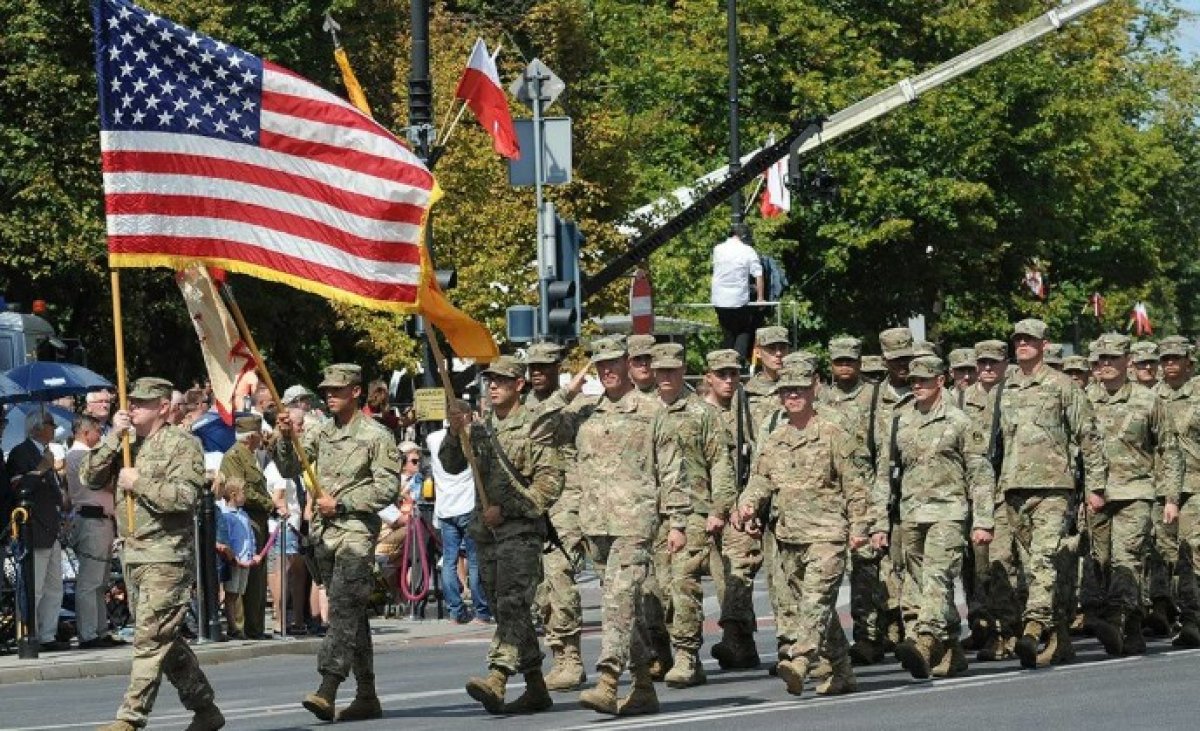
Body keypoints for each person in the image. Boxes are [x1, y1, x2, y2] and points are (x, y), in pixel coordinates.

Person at [81, 377, 223, 731]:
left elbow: (185, 498)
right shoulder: (125, 444)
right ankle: (205, 708)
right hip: (134, 555)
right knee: (164, 638)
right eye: (131, 402)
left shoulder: (183, 444)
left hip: (166, 554)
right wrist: (112, 438)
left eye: (141, 403)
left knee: (149, 638)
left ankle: (130, 717)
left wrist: (138, 483)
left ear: (162, 407)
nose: (132, 408)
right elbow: (89, 477)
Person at [274, 364, 401, 722]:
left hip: (356, 532)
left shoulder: (376, 435)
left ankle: (328, 687)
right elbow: (289, 468)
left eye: (337, 390)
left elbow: (387, 488)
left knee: (343, 608)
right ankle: (367, 694)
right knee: (353, 614)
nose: (330, 395)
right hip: (324, 535)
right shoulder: (322, 432)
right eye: (326, 390)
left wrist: (343, 504)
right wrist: (285, 438)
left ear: (355, 392)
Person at [736, 361, 871, 697]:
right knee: (817, 607)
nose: (793, 396)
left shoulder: (834, 433)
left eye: (799, 390)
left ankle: (801, 659)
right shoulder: (775, 439)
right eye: (786, 391)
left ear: (813, 391)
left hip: (827, 533)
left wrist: (860, 527)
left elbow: (856, 486)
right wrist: (747, 504)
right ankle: (841, 670)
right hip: (789, 537)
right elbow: (760, 479)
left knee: (814, 601)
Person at [443, 355, 564, 715]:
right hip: (487, 534)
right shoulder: (481, 428)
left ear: (519, 385)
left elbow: (550, 483)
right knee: (504, 610)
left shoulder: (536, 426)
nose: (493, 386)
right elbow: (452, 464)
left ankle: (497, 676)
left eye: (502, 381)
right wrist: (454, 431)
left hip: (521, 532)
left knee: (513, 604)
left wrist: (509, 509)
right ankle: (536, 685)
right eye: (490, 381)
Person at [574, 337, 688, 717]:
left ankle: (608, 681)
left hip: (635, 522)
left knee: (618, 599)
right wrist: (567, 392)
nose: (607, 370)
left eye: (612, 362)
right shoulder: (586, 412)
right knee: (627, 608)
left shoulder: (653, 410)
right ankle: (643, 686)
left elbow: (672, 470)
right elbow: (543, 431)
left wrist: (677, 521)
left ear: (626, 363)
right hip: (595, 524)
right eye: (600, 364)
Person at [871, 355, 994, 678]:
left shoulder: (960, 421)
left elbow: (980, 474)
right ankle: (951, 649)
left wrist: (983, 520)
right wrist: (879, 523)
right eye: (913, 380)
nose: (917, 385)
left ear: (940, 381)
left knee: (937, 577)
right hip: (911, 514)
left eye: (924, 380)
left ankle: (925, 642)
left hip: (948, 512)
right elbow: (884, 476)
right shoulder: (900, 420)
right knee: (919, 584)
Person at [997, 319, 1106, 669]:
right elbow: (996, 444)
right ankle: (1060, 639)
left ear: (1044, 345)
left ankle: (1033, 628)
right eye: (1018, 339)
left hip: (1054, 487)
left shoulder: (1062, 386)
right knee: (1037, 566)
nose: (1023, 344)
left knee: (1043, 559)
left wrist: (1095, 487)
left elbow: (1088, 437)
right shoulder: (1006, 388)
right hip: (1014, 488)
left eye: (1030, 340)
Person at [1085, 333, 1182, 656]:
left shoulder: (1148, 400)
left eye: (1113, 358)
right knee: (1101, 562)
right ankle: (1132, 626)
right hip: (1096, 495)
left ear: (1128, 361)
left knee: (1126, 557)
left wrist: (1170, 498)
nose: (1107, 364)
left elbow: (1169, 450)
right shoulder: (1085, 400)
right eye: (1102, 359)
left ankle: (1117, 618)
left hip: (1136, 491)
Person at [645, 343, 736, 688]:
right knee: (657, 588)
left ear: (683, 370)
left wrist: (719, 508)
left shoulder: (702, 413)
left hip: (693, 510)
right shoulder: (645, 411)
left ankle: (687, 656)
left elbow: (721, 462)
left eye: (672, 369)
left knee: (684, 582)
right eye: (661, 370)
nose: (666, 376)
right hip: (653, 513)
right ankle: (661, 651)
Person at [524, 341, 590, 691]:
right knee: (538, 587)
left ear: (557, 369)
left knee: (560, 576)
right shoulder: (522, 408)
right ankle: (557, 653)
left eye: (544, 367)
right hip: (533, 502)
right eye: (532, 368)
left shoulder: (577, 406)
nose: (537, 373)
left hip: (567, 501)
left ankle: (571, 657)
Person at [703, 348, 764, 671]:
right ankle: (744, 646)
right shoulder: (699, 413)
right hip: (706, 508)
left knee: (738, 572)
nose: (728, 380)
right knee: (721, 578)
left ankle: (732, 639)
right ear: (708, 378)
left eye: (733, 374)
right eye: (721, 374)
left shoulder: (746, 411)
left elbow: (758, 459)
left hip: (740, 508)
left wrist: (750, 506)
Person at [7, 410, 67, 651]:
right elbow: (19, 489)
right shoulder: (21, 453)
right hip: (33, 528)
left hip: (51, 528)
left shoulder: (47, 452)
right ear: (38, 427)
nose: (54, 428)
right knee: (35, 587)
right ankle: (28, 634)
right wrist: (42, 468)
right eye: (51, 424)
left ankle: (47, 635)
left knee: (54, 587)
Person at [1155, 336, 1200, 647]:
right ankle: (1180, 614)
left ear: (1188, 362)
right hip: (1160, 488)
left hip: (1195, 485)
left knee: (1192, 550)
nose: (1170, 363)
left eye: (1176, 358)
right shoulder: (1151, 398)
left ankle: (1193, 619)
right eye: (1165, 359)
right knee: (1168, 556)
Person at [65, 414, 123, 648]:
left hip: (101, 520)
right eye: (98, 431)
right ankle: (88, 633)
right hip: (91, 519)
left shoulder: (85, 455)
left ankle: (99, 629)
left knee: (100, 581)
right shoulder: (79, 456)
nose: (100, 435)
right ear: (85, 433)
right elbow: (104, 483)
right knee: (90, 580)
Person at [428, 425, 491, 625]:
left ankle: (455, 611)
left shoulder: (432, 438)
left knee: (449, 560)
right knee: (474, 559)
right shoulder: (468, 438)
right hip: (467, 505)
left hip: (445, 508)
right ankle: (481, 610)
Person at [218, 414, 273, 640]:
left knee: (257, 576)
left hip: (256, 520)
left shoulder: (250, 455)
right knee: (244, 577)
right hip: (243, 521)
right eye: (259, 433)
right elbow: (240, 490)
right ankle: (241, 627)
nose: (262, 437)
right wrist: (270, 503)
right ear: (251, 436)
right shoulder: (234, 457)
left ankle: (255, 627)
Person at [711, 228, 765, 360]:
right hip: (739, 299)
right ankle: (739, 363)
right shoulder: (748, 250)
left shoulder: (718, 249)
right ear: (745, 237)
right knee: (744, 331)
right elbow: (758, 274)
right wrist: (760, 298)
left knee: (728, 333)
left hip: (719, 300)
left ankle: (726, 363)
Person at [216, 478, 258, 639]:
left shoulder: (244, 515)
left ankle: (236, 625)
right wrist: (233, 558)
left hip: (245, 560)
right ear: (234, 495)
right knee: (231, 594)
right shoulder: (227, 516)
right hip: (235, 561)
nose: (246, 496)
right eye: (243, 493)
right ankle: (233, 626)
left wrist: (253, 553)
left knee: (238, 592)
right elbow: (227, 539)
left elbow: (250, 537)